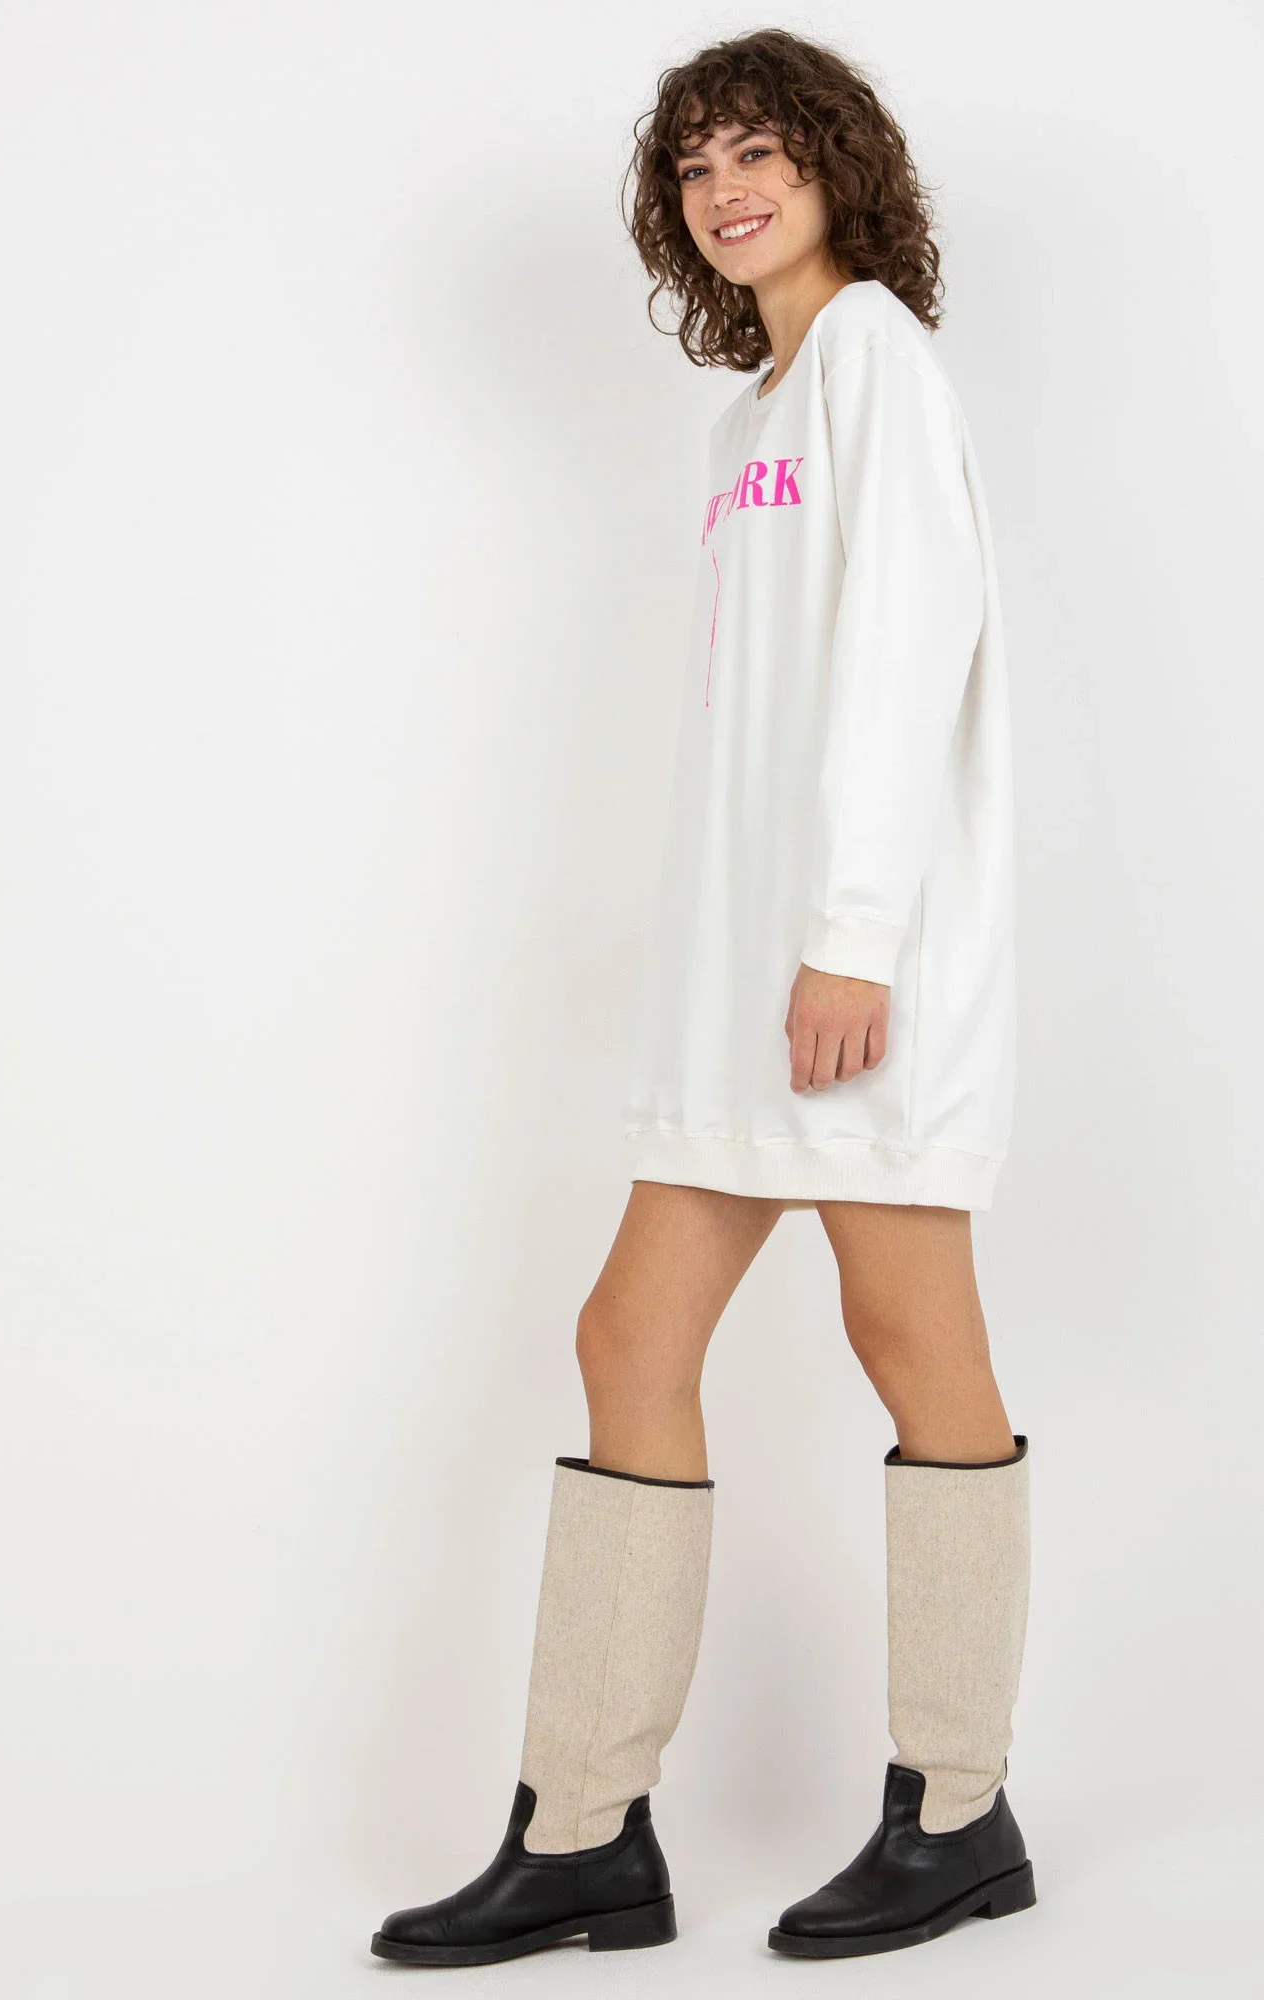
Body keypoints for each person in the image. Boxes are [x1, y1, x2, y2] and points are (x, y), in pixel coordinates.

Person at [370, 27, 1033, 1967]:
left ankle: (961, 1810)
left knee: (912, 1340)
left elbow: (908, 656)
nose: (727, 189)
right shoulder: (754, 416)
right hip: (746, 982)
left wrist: (853, 938)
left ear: (836, 167)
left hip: (857, 973)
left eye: (762, 151)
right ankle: (588, 1832)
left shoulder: (877, 361)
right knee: (627, 1335)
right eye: (696, 165)